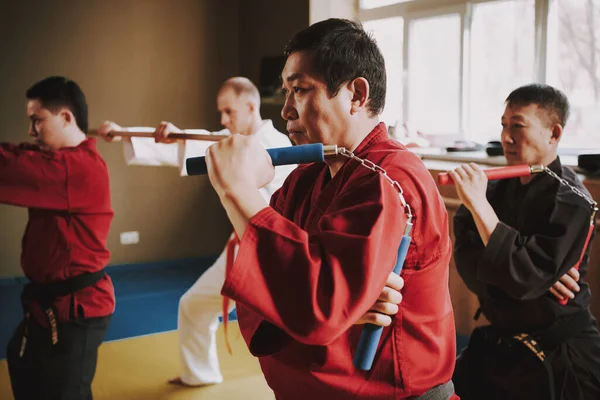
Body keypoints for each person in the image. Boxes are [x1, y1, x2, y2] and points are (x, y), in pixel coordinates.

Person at [203, 18, 458, 399]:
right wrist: (346, 302)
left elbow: (317, 306)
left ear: (356, 94)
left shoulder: (389, 179)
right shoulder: (305, 178)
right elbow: (268, 285)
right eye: (286, 91)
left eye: (301, 90)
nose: (286, 109)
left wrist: (238, 189)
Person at [97, 77, 297, 387]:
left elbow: (221, 150)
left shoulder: (276, 145)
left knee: (288, 327)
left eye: (229, 112)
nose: (223, 119)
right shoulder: (230, 141)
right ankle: (200, 373)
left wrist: (181, 139)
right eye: (221, 113)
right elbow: (199, 142)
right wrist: (148, 135)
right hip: (242, 246)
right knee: (194, 305)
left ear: (250, 107)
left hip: (275, 252)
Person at [448, 83, 600, 399]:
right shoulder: (494, 188)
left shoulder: (573, 199)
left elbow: (526, 277)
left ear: (554, 133)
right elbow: (467, 260)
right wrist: (529, 275)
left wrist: (481, 209)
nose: (506, 137)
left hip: (560, 349)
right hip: (500, 343)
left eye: (517, 126)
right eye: (503, 126)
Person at [3, 76, 114, 399]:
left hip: (76, 311)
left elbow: (10, 168)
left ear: (66, 117)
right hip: (46, 303)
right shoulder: (58, 163)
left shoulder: (77, 169)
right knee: (22, 366)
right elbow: (19, 155)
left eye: (37, 120)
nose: (31, 130)